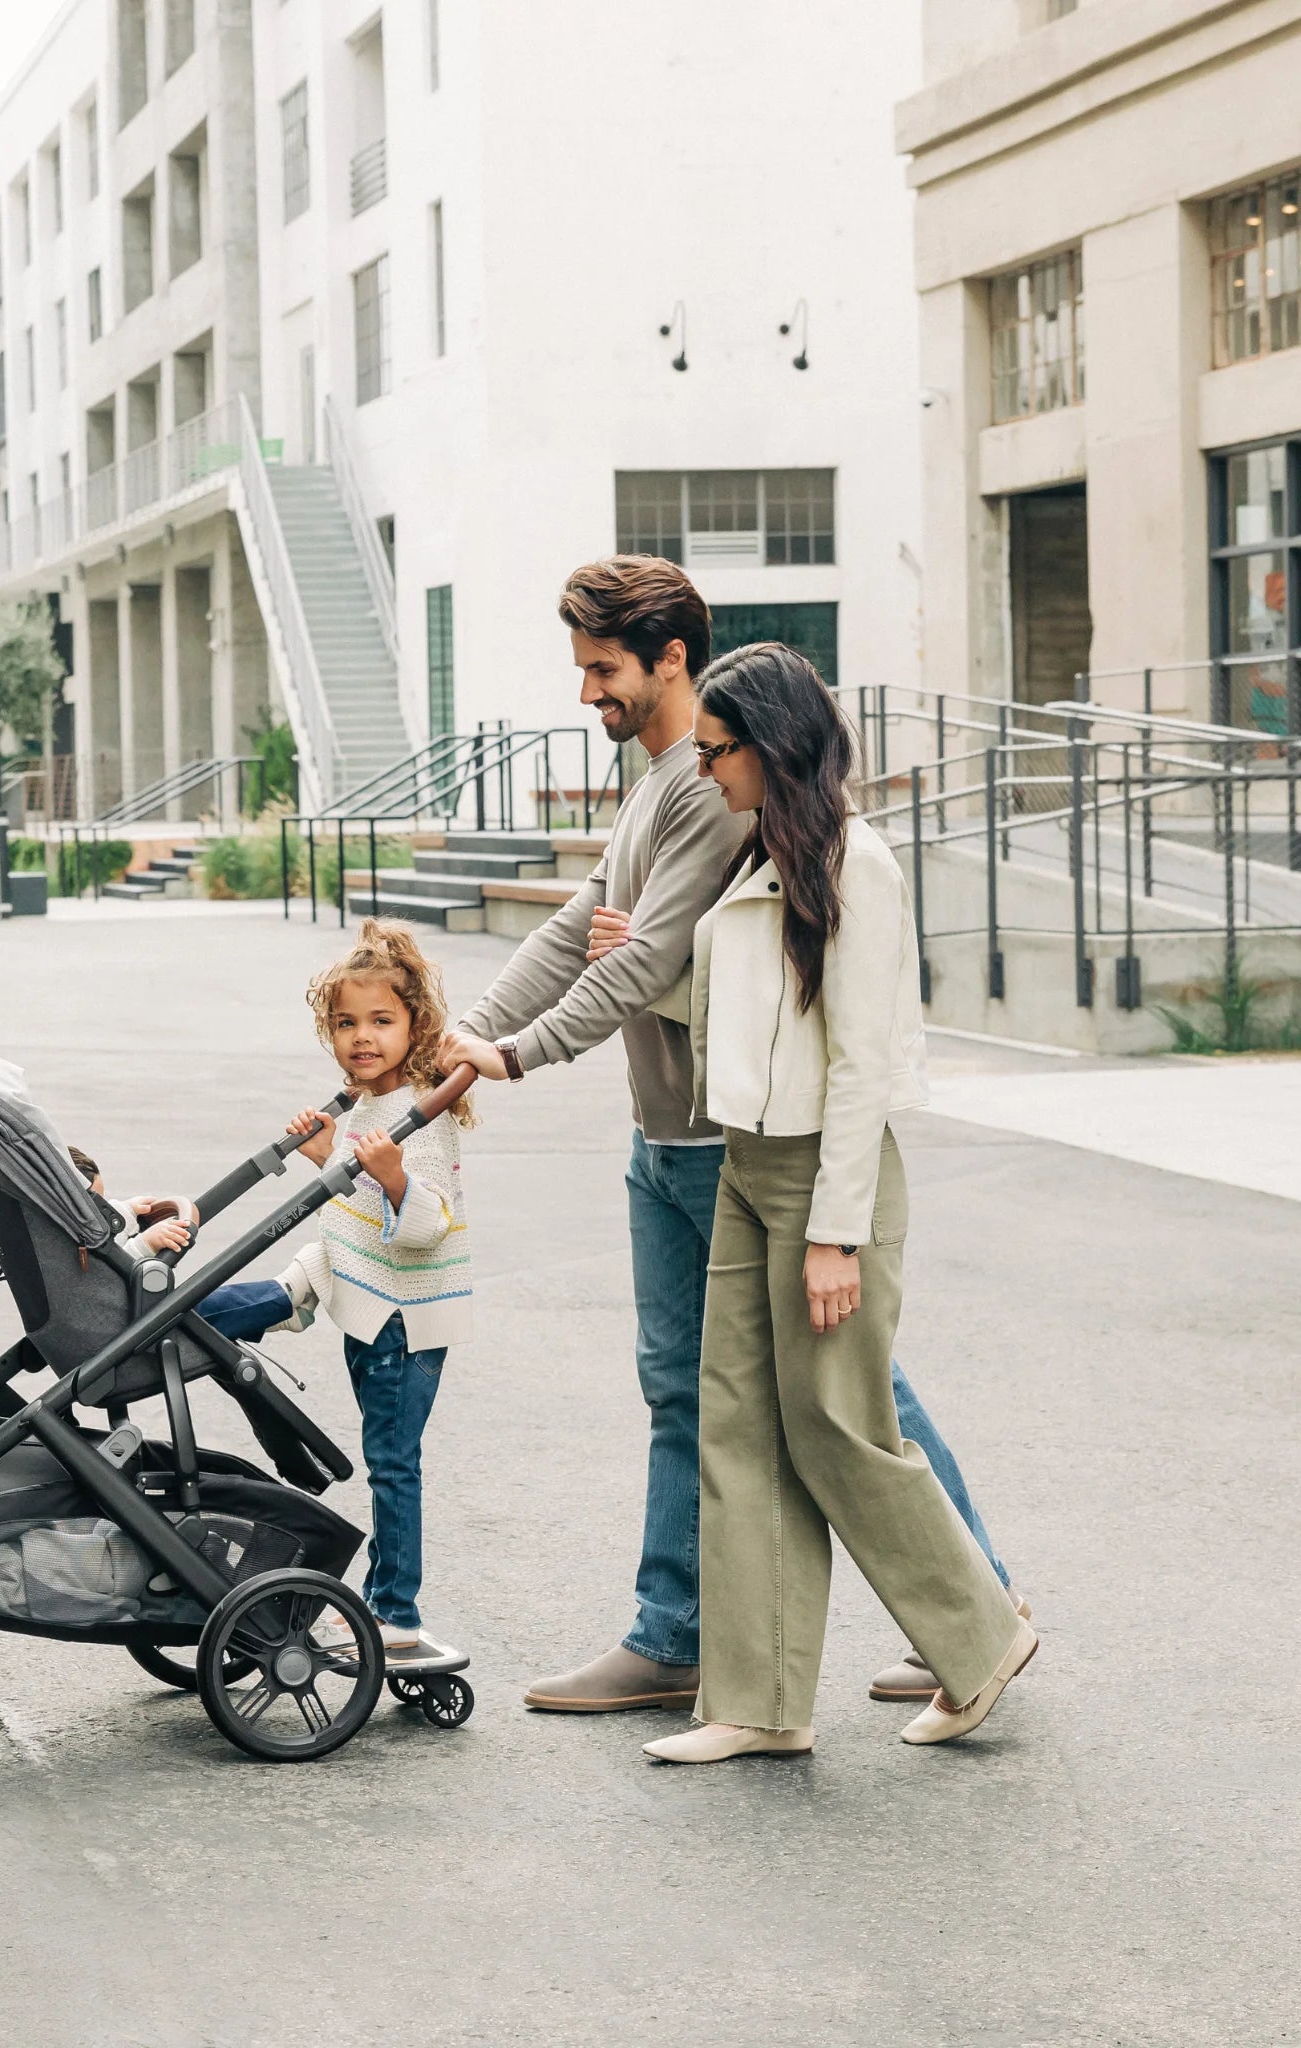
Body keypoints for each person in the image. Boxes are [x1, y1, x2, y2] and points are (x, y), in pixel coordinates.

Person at [441, 555, 1021, 1714]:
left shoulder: (713, 785)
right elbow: (580, 930)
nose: (585, 693)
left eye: (601, 669)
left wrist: (513, 1053)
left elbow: (647, 956)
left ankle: (966, 1608)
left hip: (731, 1144)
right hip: (664, 1136)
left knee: (840, 1396)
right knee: (702, 1392)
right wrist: (467, 1027)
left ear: (669, 658)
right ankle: (689, 1634)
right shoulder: (666, 778)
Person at [639, 643, 1037, 1761]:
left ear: (770, 744)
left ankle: (980, 1633)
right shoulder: (763, 856)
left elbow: (861, 1062)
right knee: (736, 1426)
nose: (706, 770)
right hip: (744, 1166)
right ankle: (757, 1703)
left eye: (717, 751)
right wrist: (652, 969)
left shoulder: (855, 861)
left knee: (836, 1426)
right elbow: (750, 1005)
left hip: (825, 1175)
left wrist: (833, 1234)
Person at [280, 919, 475, 1663]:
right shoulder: (367, 1107)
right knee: (385, 1457)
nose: (362, 1037)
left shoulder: (422, 1113)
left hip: (406, 1324)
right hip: (374, 1319)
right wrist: (327, 1155)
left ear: (415, 1026)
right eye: (345, 1023)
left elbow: (423, 1224)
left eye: (381, 1021)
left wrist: (390, 1173)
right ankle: (381, 1602)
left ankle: (393, 1610)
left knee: (394, 1464)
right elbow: (357, 1207)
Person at [67, 1145, 307, 1345]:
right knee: (190, 1307)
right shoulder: (71, 1258)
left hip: (107, 1323)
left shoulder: (54, 1245)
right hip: (118, 1330)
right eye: (98, 1207)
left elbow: (100, 1247)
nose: (105, 1209)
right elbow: (100, 1275)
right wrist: (145, 1243)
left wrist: (124, 1212)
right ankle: (282, 1297)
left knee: (191, 1309)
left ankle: (274, 1314)